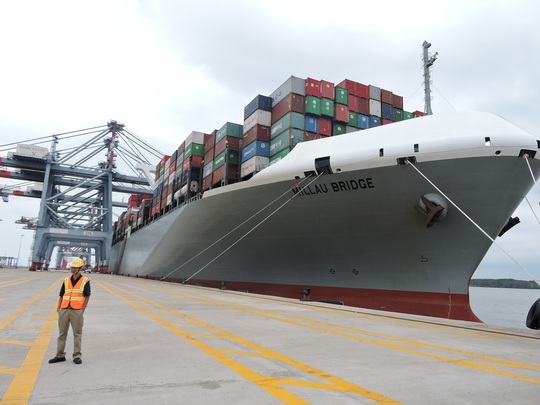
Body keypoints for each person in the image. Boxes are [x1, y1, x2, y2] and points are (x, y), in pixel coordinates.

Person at [49, 257, 91, 365]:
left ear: (80, 268)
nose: (72, 269)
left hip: (77, 311)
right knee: (62, 333)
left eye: (75, 267)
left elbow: (87, 296)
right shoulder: (66, 280)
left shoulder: (85, 281)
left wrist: (82, 309)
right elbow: (61, 295)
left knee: (77, 334)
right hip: (64, 309)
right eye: (72, 267)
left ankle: (77, 355)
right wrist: (59, 307)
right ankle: (60, 355)